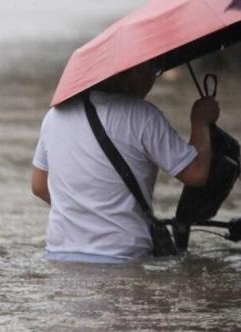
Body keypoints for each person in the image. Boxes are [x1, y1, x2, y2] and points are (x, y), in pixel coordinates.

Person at [31, 61, 219, 263]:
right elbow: (196, 173)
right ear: (137, 71)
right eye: (154, 70)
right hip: (122, 257)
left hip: (59, 256)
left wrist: (85, 211)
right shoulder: (143, 116)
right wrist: (200, 122)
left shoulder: (54, 116)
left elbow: (39, 186)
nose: (152, 79)